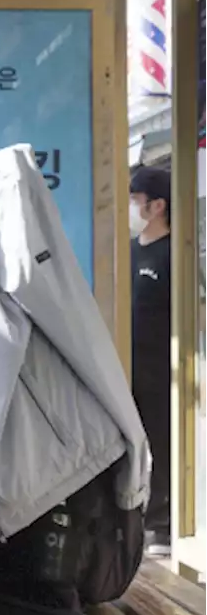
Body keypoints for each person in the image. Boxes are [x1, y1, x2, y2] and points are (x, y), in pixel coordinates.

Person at [129, 166, 173, 553]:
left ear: (157, 205)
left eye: (136, 200)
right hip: (125, 367)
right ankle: (131, 518)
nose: (131, 206)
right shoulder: (126, 250)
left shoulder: (174, 252)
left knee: (162, 443)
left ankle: (161, 523)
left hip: (161, 369)